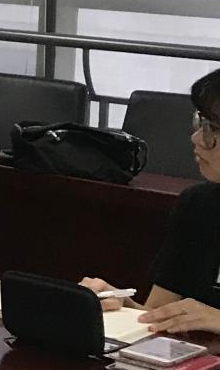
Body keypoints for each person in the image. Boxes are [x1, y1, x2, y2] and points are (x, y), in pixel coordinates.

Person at [84, 66, 220, 337]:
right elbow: (158, 315)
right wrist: (123, 306)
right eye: (200, 123)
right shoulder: (199, 206)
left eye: (212, 129)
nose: (196, 138)